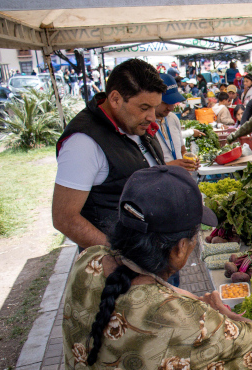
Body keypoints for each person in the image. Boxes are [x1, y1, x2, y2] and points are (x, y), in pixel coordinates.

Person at [60, 165, 252, 370]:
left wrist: (185, 304)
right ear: (179, 249)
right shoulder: (183, 318)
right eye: (194, 237)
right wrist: (223, 313)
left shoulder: (87, 261)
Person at [52, 59, 167, 250]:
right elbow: (64, 218)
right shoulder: (83, 142)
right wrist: (119, 256)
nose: (152, 117)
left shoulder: (133, 125)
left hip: (153, 253)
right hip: (122, 269)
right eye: (144, 108)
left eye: (155, 107)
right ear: (115, 99)